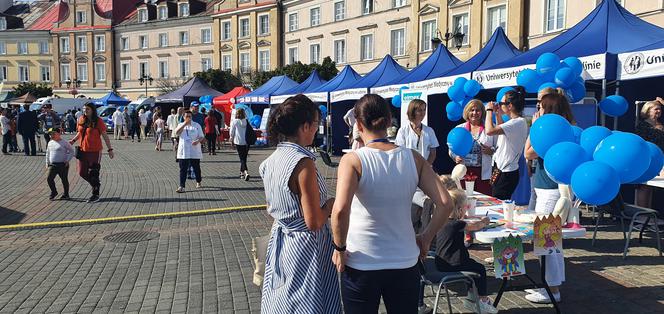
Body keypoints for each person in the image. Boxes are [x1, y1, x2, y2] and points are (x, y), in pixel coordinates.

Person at [330, 94, 453, 314]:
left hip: (361, 261)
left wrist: (339, 248)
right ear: (389, 122)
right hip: (404, 260)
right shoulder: (414, 158)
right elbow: (445, 203)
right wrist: (425, 237)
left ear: (358, 124)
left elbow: (340, 211)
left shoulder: (353, 160)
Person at [259, 94, 341, 314]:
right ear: (305, 126)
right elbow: (313, 221)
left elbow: (272, 209)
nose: (317, 129)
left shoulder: (270, 161)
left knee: (283, 300)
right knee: (308, 302)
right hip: (306, 246)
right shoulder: (303, 163)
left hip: (281, 239)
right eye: (316, 124)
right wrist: (332, 203)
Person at [523, 91, 573, 304]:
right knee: (551, 243)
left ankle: (552, 290)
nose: (538, 110)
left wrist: (534, 128)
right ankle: (551, 286)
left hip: (550, 192)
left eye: (541, 107)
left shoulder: (551, 131)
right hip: (550, 190)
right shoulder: (563, 127)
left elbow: (528, 153)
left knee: (547, 242)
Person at [433, 188, 497, 313]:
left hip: (441, 261)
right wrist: (484, 221)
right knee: (480, 269)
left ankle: (471, 297)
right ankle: (482, 300)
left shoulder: (442, 220)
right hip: (453, 263)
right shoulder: (457, 224)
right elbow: (475, 226)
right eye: (466, 207)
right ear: (460, 209)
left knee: (472, 266)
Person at [395, 99, 441, 239]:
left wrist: (426, 166)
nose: (422, 113)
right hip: (408, 172)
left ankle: (425, 235)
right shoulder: (403, 131)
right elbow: (400, 152)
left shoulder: (429, 130)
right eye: (419, 109)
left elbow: (433, 151)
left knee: (426, 202)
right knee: (411, 205)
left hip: (426, 171)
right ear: (412, 111)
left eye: (424, 109)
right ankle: (410, 234)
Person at [485, 86, 529, 200]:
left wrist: (489, 111)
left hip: (506, 172)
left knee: (499, 203)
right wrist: (497, 114)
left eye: (501, 103)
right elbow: (501, 131)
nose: (499, 105)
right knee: (499, 202)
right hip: (502, 169)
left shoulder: (517, 122)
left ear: (510, 106)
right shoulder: (515, 123)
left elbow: (489, 131)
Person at [69, 103, 115, 203]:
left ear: (93, 110)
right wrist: (72, 141)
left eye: (88, 109)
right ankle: (96, 184)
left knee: (93, 172)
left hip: (95, 150)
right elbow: (80, 132)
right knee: (82, 172)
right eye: (84, 109)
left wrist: (110, 149)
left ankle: (95, 194)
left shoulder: (98, 121)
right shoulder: (81, 119)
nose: (85, 111)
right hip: (82, 150)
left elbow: (105, 136)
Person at [450, 100, 496, 195]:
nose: (475, 113)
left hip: (483, 173)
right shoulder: (459, 128)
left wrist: (491, 151)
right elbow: (451, 149)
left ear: (482, 112)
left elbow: (498, 147)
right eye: (472, 110)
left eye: (478, 110)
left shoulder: (491, 127)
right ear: (467, 112)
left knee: (484, 199)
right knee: (464, 199)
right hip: (464, 171)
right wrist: (455, 157)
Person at [634, 98, 664, 208]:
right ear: (648, 110)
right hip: (647, 160)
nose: (659, 111)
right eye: (656, 109)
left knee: (653, 186)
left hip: (660, 160)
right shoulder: (642, 126)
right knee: (644, 186)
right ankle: (642, 217)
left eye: (660, 109)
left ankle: (648, 216)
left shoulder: (661, 125)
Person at [174, 110, 204, 192]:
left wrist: (197, 141)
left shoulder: (196, 125)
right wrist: (184, 124)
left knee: (196, 167)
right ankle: (182, 186)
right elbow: (177, 133)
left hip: (194, 150)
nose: (188, 118)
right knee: (183, 169)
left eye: (190, 116)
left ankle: (198, 181)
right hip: (184, 151)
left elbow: (201, 136)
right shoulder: (181, 125)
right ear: (183, 117)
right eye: (186, 116)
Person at [45, 128, 74, 200]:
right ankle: (54, 192)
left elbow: (71, 151)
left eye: (53, 134)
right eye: (50, 134)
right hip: (53, 165)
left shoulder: (64, 142)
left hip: (62, 164)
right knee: (49, 179)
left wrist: (67, 160)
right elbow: (47, 153)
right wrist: (47, 163)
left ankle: (66, 194)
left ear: (58, 134)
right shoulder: (50, 142)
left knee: (64, 179)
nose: (51, 135)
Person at [230, 108, 250, 181]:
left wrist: (231, 139)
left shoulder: (235, 121)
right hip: (246, 141)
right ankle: (241, 173)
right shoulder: (246, 121)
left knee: (242, 158)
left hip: (238, 141)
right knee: (244, 158)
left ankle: (246, 172)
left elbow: (232, 131)